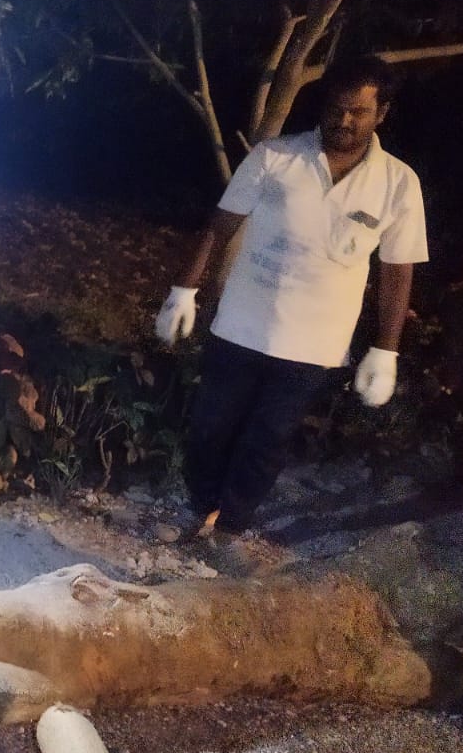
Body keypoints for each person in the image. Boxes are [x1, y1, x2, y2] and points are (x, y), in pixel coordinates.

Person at [154, 54, 428, 537]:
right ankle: (201, 504)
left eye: (358, 111)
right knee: (210, 426)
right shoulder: (274, 157)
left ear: (381, 113)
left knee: (269, 439)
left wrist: (386, 350)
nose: (344, 120)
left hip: (315, 344)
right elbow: (220, 227)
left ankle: (229, 527)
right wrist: (183, 291)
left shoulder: (398, 184)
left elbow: (396, 272)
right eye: (337, 108)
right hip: (241, 324)